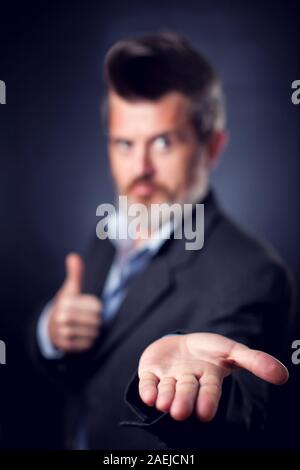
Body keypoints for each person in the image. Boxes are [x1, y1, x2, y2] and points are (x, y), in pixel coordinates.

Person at [30, 32, 293, 450]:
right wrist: (51, 331)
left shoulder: (251, 273)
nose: (141, 168)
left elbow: (245, 415)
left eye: (163, 142)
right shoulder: (109, 232)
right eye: (124, 144)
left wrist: (200, 395)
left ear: (212, 148)